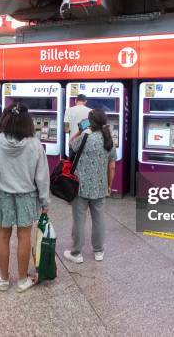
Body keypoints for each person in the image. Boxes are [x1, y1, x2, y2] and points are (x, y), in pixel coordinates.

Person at [0, 103, 50, 293]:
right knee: (24, 236)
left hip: (2, 195)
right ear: (28, 122)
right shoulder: (35, 144)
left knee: (3, 235)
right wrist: (45, 202)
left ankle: (3, 279)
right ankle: (22, 280)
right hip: (26, 196)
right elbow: (42, 177)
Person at [64, 109, 117, 264]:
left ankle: (76, 253)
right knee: (99, 219)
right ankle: (99, 251)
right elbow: (112, 166)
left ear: (90, 123)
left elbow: (71, 144)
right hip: (100, 187)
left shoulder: (85, 137)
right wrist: (109, 186)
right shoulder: (109, 141)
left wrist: (79, 131)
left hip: (80, 187)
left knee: (79, 220)